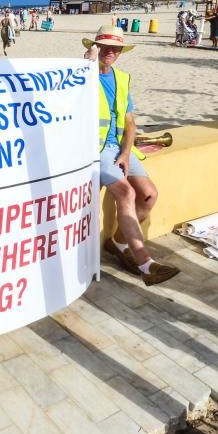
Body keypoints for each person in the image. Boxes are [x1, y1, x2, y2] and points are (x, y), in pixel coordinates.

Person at [82, 25, 179, 286]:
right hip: (96, 148)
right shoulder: (81, 75)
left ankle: (117, 243)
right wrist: (84, 68)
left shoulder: (122, 78)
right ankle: (147, 264)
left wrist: (125, 154)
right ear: (95, 47)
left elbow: (130, 121)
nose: (109, 52)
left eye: (115, 48)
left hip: (121, 147)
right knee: (126, 193)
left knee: (149, 195)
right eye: (104, 46)